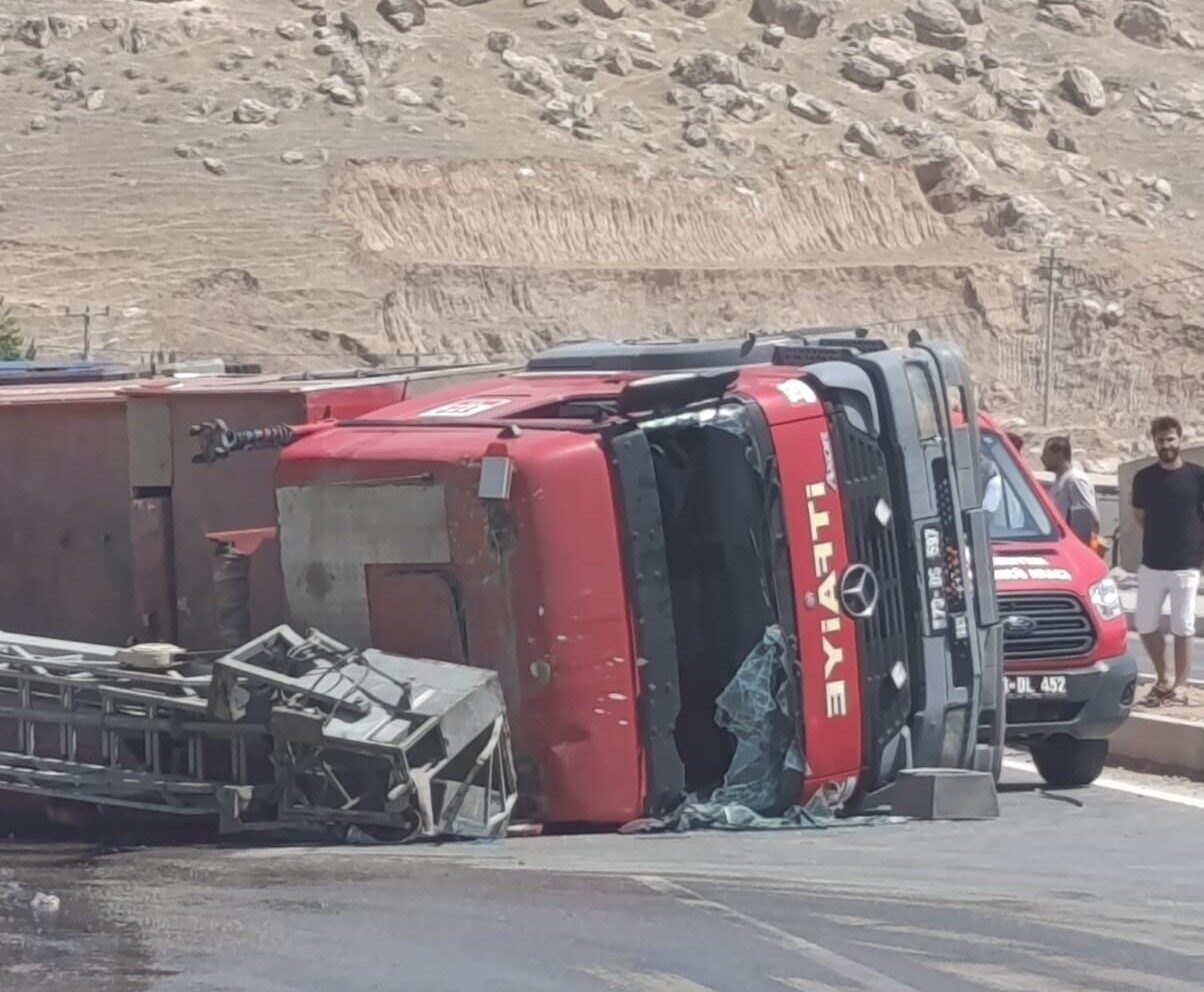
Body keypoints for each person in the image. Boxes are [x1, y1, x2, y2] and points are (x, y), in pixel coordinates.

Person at [1132, 416, 1204, 706]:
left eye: (1170, 439)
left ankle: (1181, 686)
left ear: (1180, 440)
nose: (1165, 445)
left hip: (1186, 565)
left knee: (1183, 627)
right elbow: (1140, 517)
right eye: (1160, 440)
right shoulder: (1144, 478)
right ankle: (1163, 678)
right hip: (1152, 563)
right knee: (1145, 624)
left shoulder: (1197, 477)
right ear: (1154, 442)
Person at [1042, 435, 1099, 537]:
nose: (1042, 458)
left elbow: (1089, 518)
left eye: (1046, 454)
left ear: (1059, 455)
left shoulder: (1075, 480)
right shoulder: (1060, 480)